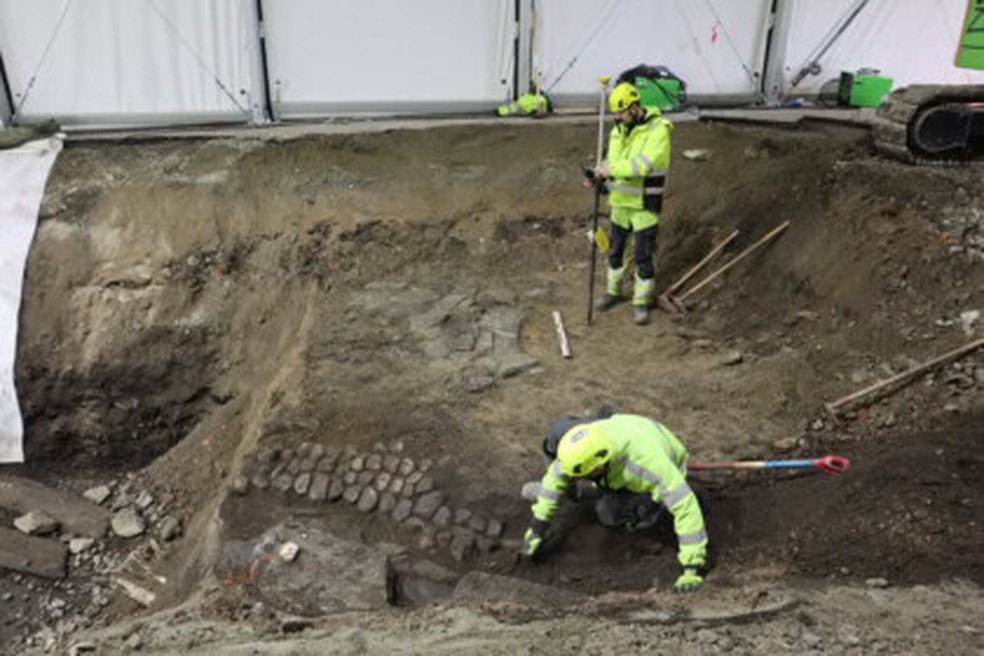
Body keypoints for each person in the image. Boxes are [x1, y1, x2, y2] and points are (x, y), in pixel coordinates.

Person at [522, 413, 707, 592]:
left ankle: (647, 508)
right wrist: (537, 527)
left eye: (580, 476)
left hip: (656, 458)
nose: (570, 477)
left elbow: (686, 505)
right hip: (623, 431)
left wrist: (691, 568)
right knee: (556, 433)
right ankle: (590, 491)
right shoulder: (588, 444)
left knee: (608, 512)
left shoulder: (648, 467)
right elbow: (554, 480)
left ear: (599, 467)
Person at [591, 82, 674, 325]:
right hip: (620, 204)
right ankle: (613, 293)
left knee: (642, 255)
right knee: (615, 252)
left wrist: (611, 169)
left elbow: (643, 165)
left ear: (634, 107)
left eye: (620, 113)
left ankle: (641, 302)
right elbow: (611, 161)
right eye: (615, 114)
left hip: (644, 205)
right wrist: (599, 177)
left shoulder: (659, 130)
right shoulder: (618, 130)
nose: (617, 118)